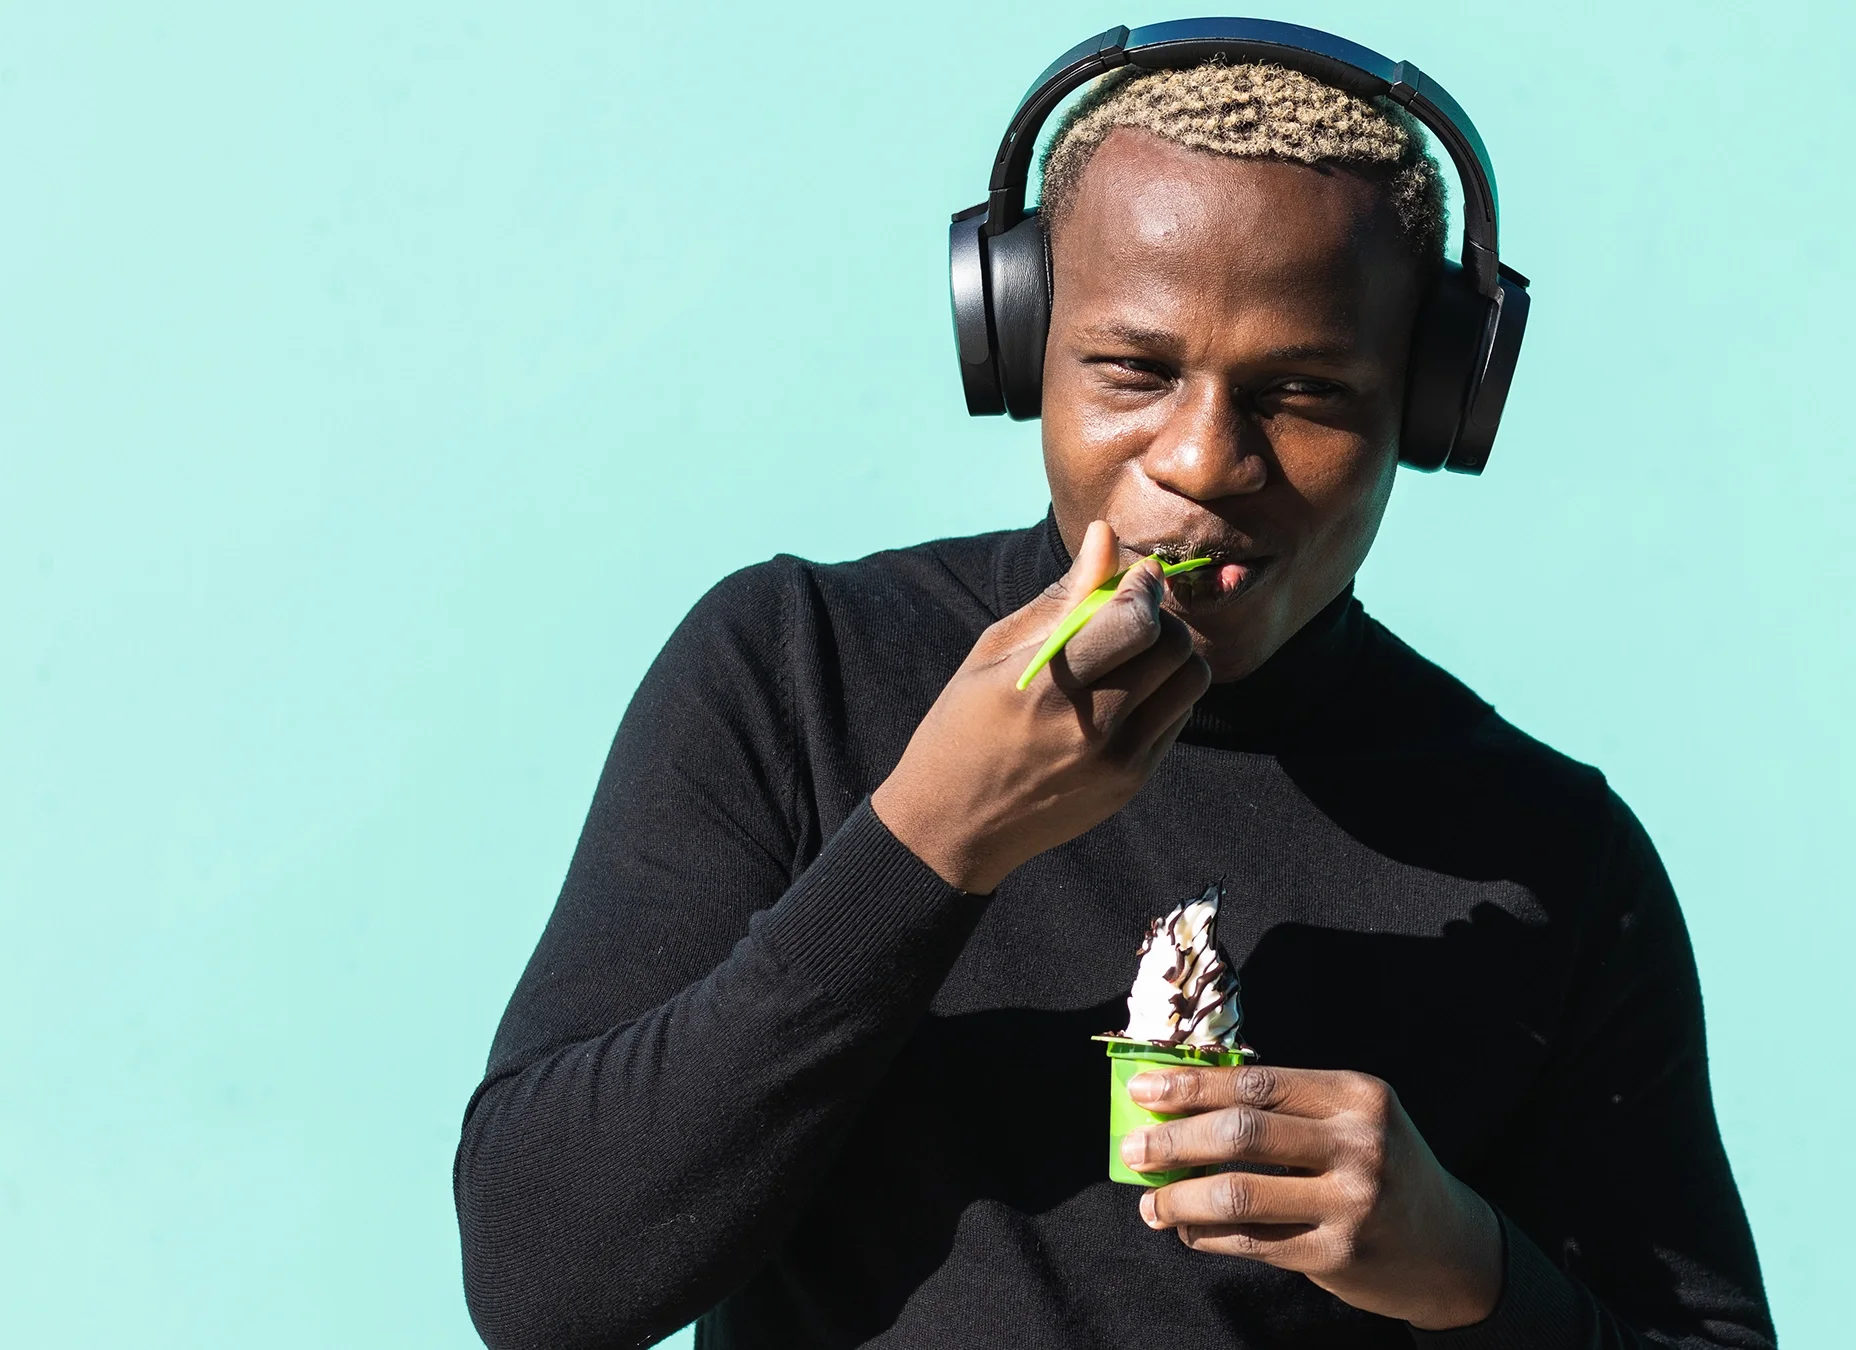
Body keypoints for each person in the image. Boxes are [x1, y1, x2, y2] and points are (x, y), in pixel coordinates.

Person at [455, 42, 1774, 1350]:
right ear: (1018, 342)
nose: (1202, 460)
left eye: (1301, 391)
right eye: (1135, 372)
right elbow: (545, 1281)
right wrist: (928, 837)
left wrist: (1468, 1271)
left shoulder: (1553, 854)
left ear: (1432, 408)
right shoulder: (798, 667)